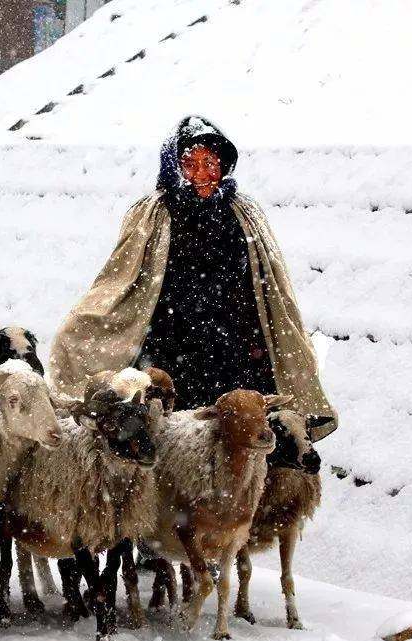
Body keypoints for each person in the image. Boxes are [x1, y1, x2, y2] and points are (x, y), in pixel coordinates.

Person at [50, 115, 337, 440]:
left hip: (235, 351)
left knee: (234, 440)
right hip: (171, 348)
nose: (202, 174)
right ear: (175, 167)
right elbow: (120, 281)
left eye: (210, 163)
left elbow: (268, 287)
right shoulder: (153, 215)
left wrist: (260, 342)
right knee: (175, 441)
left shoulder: (244, 214)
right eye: (191, 164)